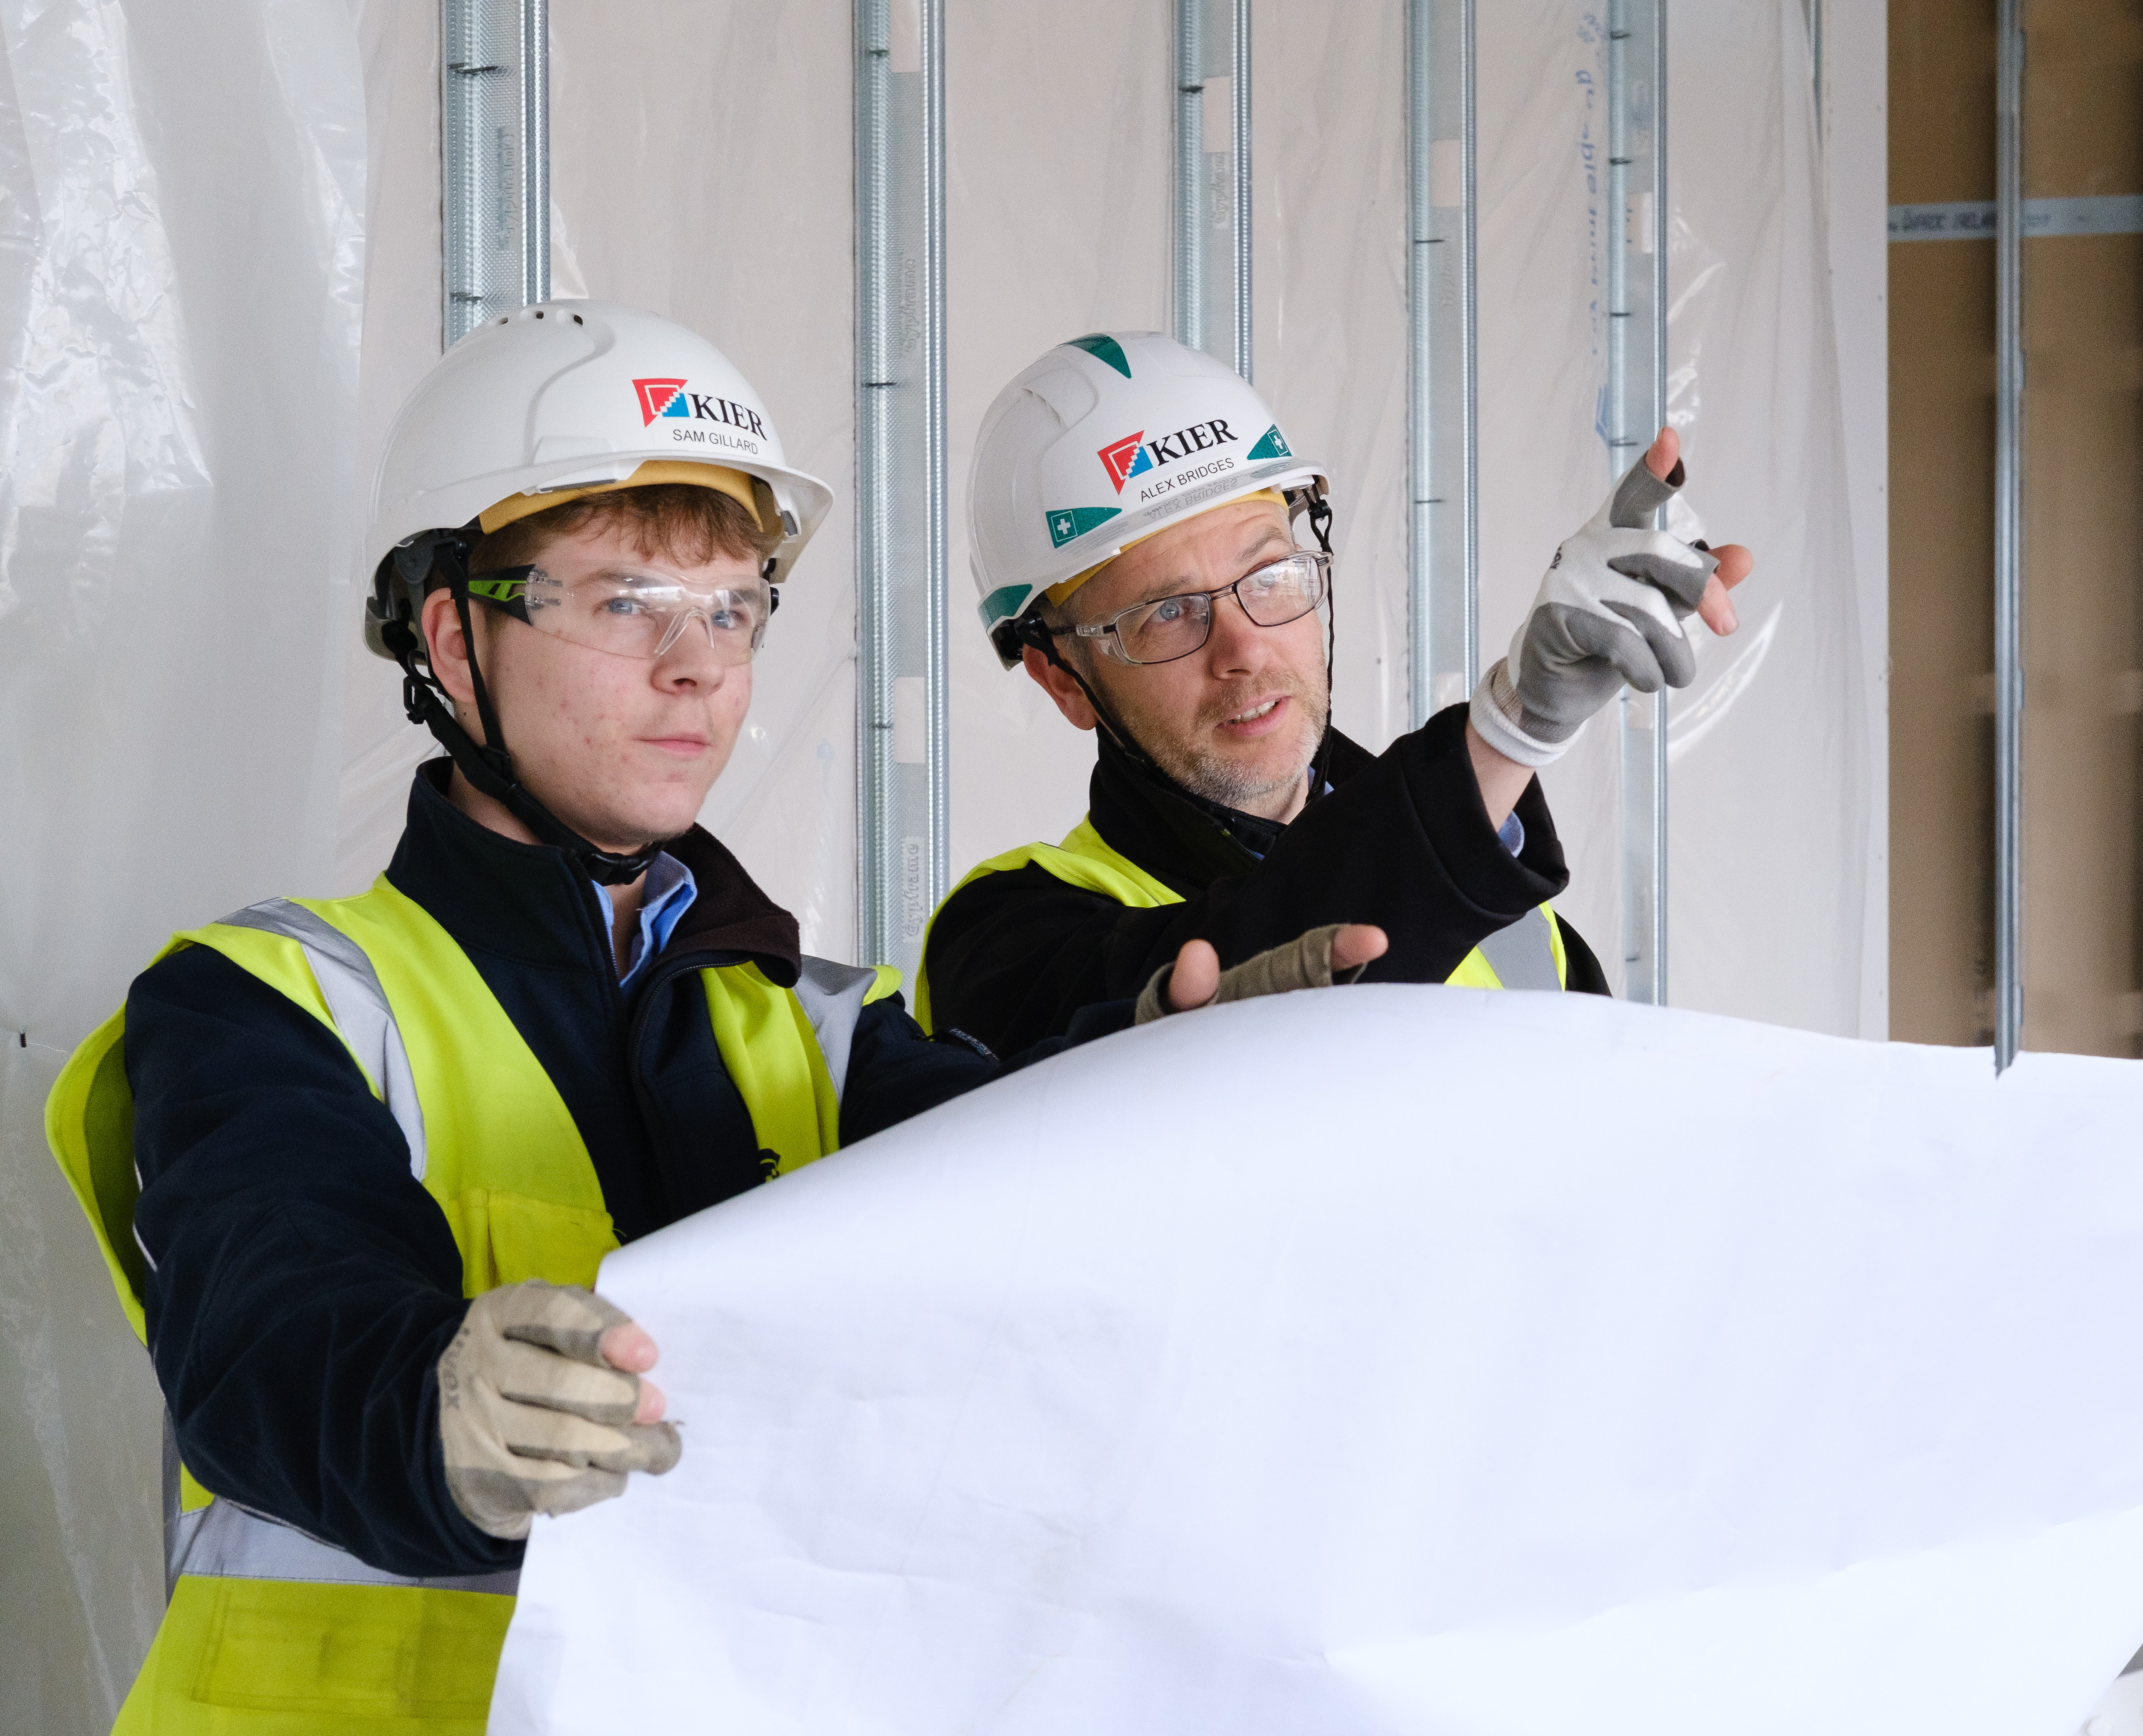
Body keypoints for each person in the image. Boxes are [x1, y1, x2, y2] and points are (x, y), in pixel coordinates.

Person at [45, 302, 1367, 1733]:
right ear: (450, 635)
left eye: (731, 609)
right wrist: (430, 1413)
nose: (699, 668)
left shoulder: (824, 1035)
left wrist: (1198, 1078)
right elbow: (270, 1342)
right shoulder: (269, 1003)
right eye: (625, 603)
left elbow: (1028, 1200)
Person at [917, 331, 1752, 1055]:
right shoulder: (1002, 944)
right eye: (1166, 613)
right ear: (1063, 678)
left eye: (1269, 572)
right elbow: (1252, 948)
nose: (1244, 649)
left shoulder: (1515, 917)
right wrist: (1507, 733)